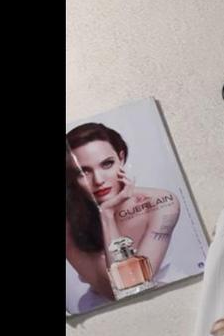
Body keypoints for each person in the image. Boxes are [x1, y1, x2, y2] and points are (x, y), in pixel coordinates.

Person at [65, 122, 180, 308]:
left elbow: (137, 285)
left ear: (121, 157)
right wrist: (107, 215)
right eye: (83, 172)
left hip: (166, 295)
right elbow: (124, 291)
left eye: (107, 164)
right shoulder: (69, 226)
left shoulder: (159, 203)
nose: (99, 180)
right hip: (105, 309)